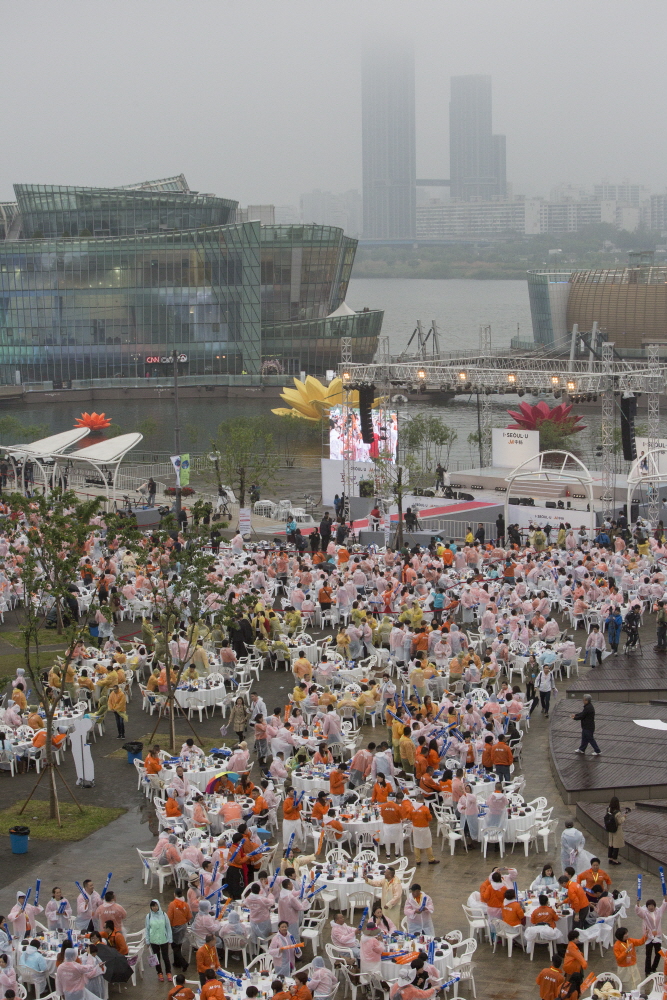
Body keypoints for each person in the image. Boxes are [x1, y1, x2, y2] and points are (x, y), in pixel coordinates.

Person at [145, 898, 173, 983]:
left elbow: (168, 927)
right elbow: (147, 928)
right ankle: (159, 973)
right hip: (154, 940)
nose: (154, 908)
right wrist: (147, 940)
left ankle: (168, 972)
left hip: (163, 939)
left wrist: (169, 939)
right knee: (156, 958)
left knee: (166, 957)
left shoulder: (164, 915)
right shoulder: (148, 916)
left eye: (156, 906)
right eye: (152, 906)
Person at [613, 927, 646, 991]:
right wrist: (626, 951)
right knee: (625, 984)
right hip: (623, 968)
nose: (627, 934)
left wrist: (645, 936)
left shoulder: (630, 940)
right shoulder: (617, 945)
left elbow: (640, 942)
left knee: (636, 981)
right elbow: (619, 959)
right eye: (625, 933)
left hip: (632, 965)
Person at [605, 796, 626, 865]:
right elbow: (619, 822)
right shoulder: (618, 812)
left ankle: (610, 858)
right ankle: (615, 859)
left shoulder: (608, 809)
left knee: (611, 844)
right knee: (616, 845)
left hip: (610, 829)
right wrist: (624, 817)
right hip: (616, 830)